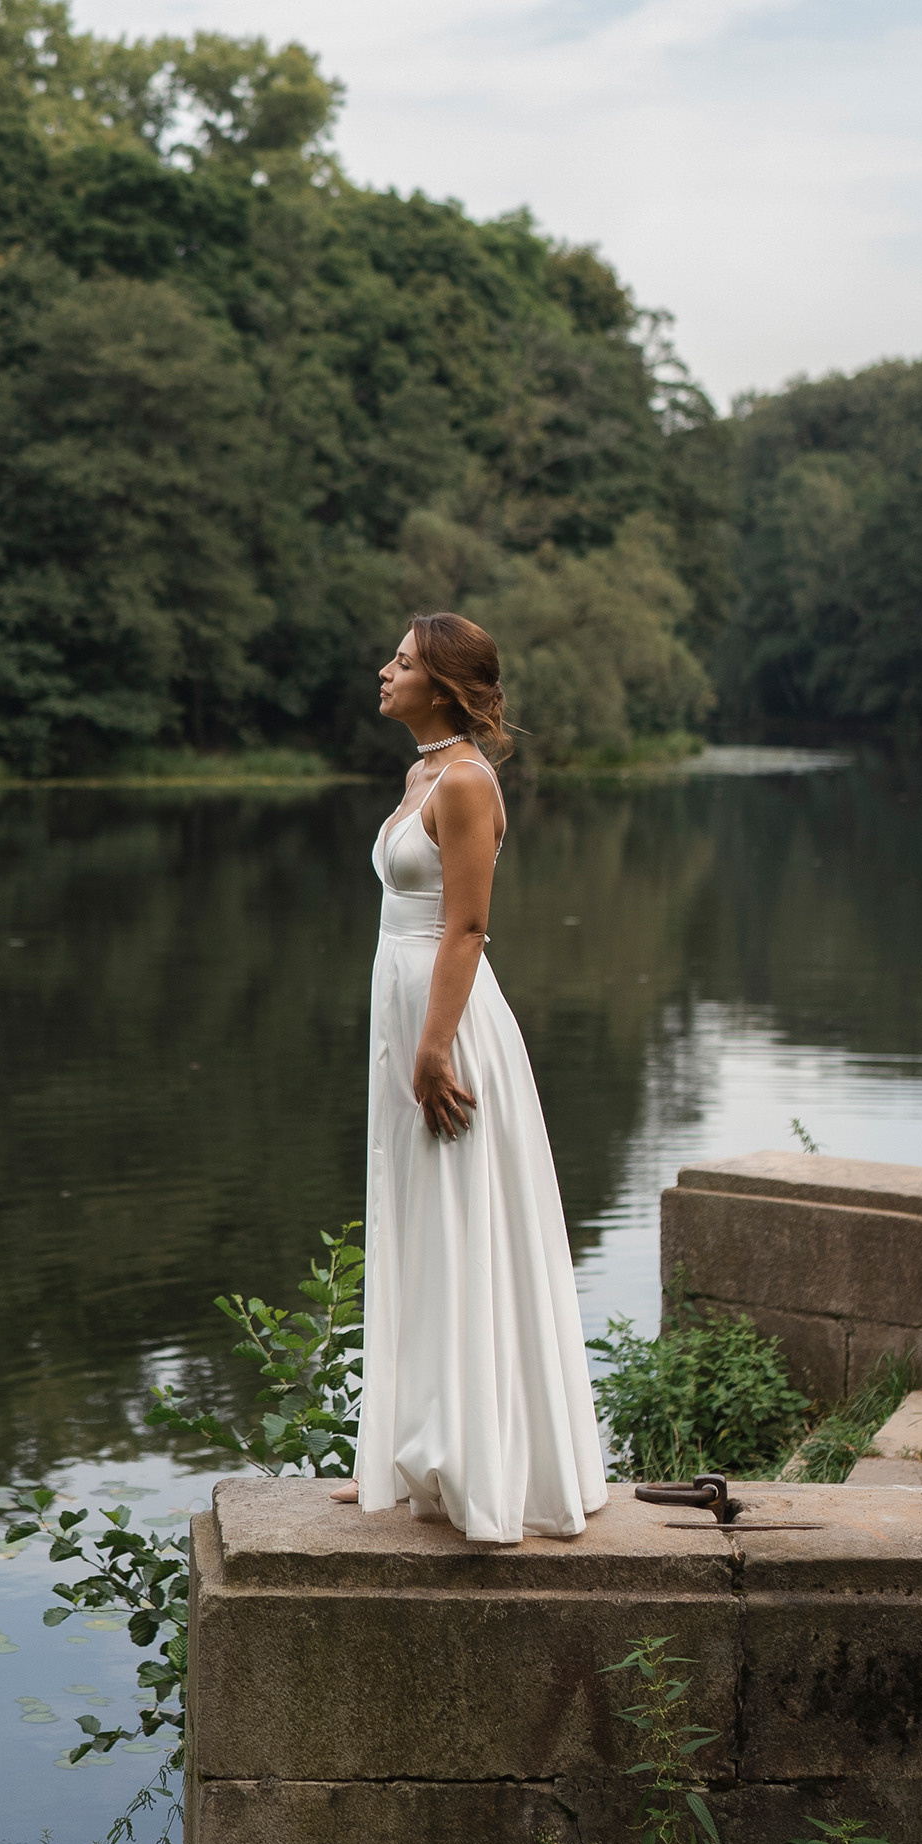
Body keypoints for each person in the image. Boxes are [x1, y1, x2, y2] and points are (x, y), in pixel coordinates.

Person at [348, 612, 609, 1544]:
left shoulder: (463, 781)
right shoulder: (421, 773)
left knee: (461, 1221)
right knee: (418, 1220)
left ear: (445, 685)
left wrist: (435, 1048)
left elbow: (465, 927)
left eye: (403, 662)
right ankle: (413, 1450)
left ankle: (482, 1465)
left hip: (446, 1023)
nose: (385, 672)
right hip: (405, 1014)